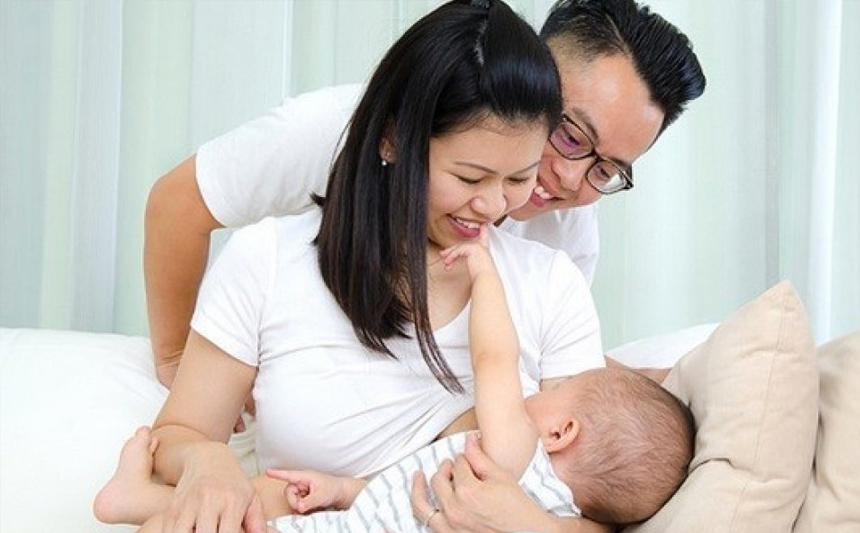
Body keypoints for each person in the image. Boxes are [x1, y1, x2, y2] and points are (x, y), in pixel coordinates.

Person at [132, 1, 612, 532]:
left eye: (518, 179)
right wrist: (207, 460)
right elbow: (178, 435)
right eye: (471, 178)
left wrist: (518, 521)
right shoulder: (267, 262)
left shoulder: (551, 285)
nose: (495, 206)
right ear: (392, 138)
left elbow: (594, 503)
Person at [145, 0, 707, 392]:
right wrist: (176, 359)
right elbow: (178, 205)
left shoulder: (566, 237)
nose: (566, 177)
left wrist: (669, 387)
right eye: (569, 134)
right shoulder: (337, 129)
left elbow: (543, 363)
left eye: (607, 170)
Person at [95, 231, 693, 532]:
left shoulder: (513, 450)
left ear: (561, 430)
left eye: (552, 392)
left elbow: (494, 358)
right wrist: (342, 488)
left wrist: (486, 280)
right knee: (275, 501)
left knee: (261, 515)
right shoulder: (546, 499)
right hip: (364, 516)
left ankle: (136, 503)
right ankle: (138, 501)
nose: (537, 390)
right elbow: (410, 499)